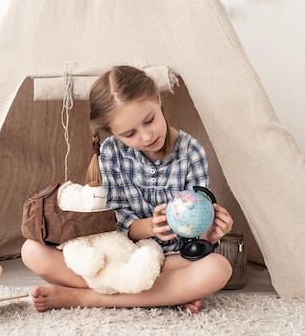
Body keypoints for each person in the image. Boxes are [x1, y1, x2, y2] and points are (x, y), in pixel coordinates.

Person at [22, 65, 234, 313]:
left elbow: (197, 223)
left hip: (171, 260)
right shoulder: (111, 152)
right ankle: (166, 295)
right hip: (122, 259)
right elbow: (114, 218)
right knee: (32, 250)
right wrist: (147, 227)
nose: (146, 137)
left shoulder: (192, 151)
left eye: (149, 120)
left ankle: (84, 297)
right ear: (113, 133)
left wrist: (211, 233)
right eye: (130, 133)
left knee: (218, 268)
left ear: (156, 96)